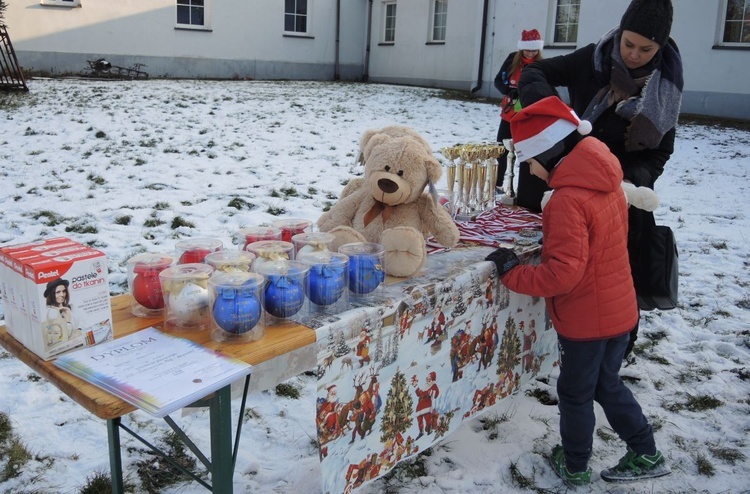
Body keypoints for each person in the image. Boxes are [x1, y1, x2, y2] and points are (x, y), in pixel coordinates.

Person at [485, 96, 669, 487]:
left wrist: (512, 272)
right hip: (619, 310)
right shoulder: (604, 179)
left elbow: (561, 276)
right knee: (608, 384)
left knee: (574, 394)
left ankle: (574, 463)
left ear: (550, 152)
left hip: (586, 321)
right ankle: (646, 449)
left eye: (530, 160)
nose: (530, 170)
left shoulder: (567, 200)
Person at [518, 0, 683, 360]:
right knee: (565, 261)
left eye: (646, 49)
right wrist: (548, 109)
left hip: (623, 197)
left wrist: (628, 183)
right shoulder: (593, 59)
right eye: (629, 43)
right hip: (572, 183)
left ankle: (620, 347)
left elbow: (659, 152)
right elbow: (535, 72)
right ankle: (556, 340)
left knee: (619, 274)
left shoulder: (665, 88)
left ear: (661, 47)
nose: (634, 54)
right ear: (620, 33)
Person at [493, 28, 544, 192]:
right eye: (528, 49)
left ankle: (523, 189)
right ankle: (498, 184)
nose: (530, 53)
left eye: (534, 50)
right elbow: (498, 81)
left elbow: (544, 87)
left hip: (528, 115)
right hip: (509, 113)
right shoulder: (511, 60)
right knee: (502, 149)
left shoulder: (541, 64)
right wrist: (508, 90)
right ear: (522, 48)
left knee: (524, 153)